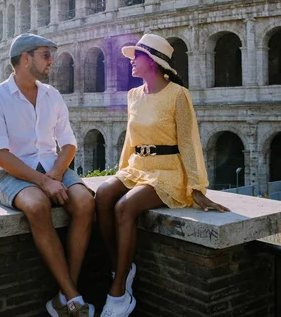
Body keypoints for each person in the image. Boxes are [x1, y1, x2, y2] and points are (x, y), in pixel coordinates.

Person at [95, 33, 230, 317]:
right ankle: (120, 266)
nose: (132, 61)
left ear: (153, 62)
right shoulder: (133, 95)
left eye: (137, 56)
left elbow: (189, 141)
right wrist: (121, 174)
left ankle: (118, 289)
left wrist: (196, 186)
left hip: (167, 171)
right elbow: (129, 140)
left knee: (125, 207)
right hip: (137, 166)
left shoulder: (178, 95)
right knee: (104, 194)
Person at [0, 34, 95, 317]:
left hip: (51, 167)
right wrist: (44, 181)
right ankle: (73, 297)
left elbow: (68, 142)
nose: (51, 61)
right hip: (11, 173)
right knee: (37, 205)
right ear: (25, 58)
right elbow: (0, 155)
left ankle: (65, 294)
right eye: (46, 55)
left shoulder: (51, 95)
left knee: (84, 202)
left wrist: (55, 174)